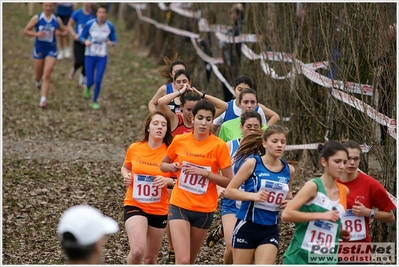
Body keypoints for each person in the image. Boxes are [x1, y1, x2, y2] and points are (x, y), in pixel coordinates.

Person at [160, 100, 233, 264]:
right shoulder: (179, 140)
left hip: (204, 210)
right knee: (183, 260)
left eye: (208, 119)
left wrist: (205, 174)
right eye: (200, 118)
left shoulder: (219, 146)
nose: (204, 122)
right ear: (192, 119)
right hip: (179, 205)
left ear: (212, 121)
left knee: (190, 261)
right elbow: (163, 165)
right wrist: (172, 166)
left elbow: (229, 181)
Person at [224, 125, 295, 264]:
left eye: (283, 142)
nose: (279, 145)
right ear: (264, 143)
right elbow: (230, 191)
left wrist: (290, 202)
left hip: (270, 228)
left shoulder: (289, 170)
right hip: (247, 226)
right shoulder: (253, 163)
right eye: (274, 141)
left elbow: (289, 195)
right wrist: (252, 196)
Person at [207, 111, 264, 264]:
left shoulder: (265, 150)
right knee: (232, 247)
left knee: (249, 250)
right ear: (241, 127)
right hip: (231, 202)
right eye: (248, 126)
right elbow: (216, 171)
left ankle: (223, 230)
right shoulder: (229, 146)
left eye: (256, 127)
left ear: (261, 128)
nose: (252, 130)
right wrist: (219, 188)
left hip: (255, 203)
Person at [282, 141, 351, 264]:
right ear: (324, 162)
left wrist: (338, 232)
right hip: (300, 258)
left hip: (326, 260)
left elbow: (328, 223)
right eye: (337, 161)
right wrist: (321, 215)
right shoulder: (313, 187)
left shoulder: (344, 191)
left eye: (344, 162)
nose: (342, 166)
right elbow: (286, 215)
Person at [121, 111, 175, 264]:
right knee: (138, 251)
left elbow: (179, 181)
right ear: (148, 128)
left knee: (151, 259)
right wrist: (126, 176)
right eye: (156, 123)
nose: (160, 127)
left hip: (159, 208)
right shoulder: (135, 148)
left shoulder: (171, 153)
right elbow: (125, 167)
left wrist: (167, 181)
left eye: (163, 125)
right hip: (135, 203)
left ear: (166, 130)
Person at [336, 140, 395, 264]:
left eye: (356, 159)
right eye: (348, 158)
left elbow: (390, 216)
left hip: (357, 250)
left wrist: (369, 212)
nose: (352, 163)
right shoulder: (327, 182)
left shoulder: (371, 185)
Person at [23, 2, 68, 108]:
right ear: (42, 6)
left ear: (53, 7)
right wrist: (36, 34)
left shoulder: (57, 19)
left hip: (51, 49)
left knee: (47, 74)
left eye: (50, 6)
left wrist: (60, 33)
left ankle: (43, 99)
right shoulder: (37, 18)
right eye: (46, 5)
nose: (48, 8)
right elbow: (26, 31)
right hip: (39, 49)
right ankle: (38, 83)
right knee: (38, 76)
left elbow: (65, 31)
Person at [158, 69, 228, 136]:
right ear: (181, 107)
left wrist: (202, 95)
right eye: (188, 109)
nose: (192, 113)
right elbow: (161, 102)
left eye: (195, 109)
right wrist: (180, 92)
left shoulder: (203, 119)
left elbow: (224, 106)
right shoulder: (175, 120)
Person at [79, 4, 117, 109]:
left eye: (104, 13)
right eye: (100, 12)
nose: (101, 15)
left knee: (99, 79)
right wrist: (85, 41)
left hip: (102, 56)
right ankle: (87, 87)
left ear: (106, 14)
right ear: (96, 14)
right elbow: (82, 35)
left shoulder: (109, 26)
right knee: (90, 80)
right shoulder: (90, 24)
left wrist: (112, 43)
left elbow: (114, 39)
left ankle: (94, 101)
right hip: (90, 55)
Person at [212, 75, 280, 133]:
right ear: (234, 90)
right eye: (240, 89)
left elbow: (274, 117)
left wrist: (263, 133)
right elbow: (213, 127)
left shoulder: (257, 108)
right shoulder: (226, 107)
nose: (242, 93)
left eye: (246, 90)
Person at [67, 2, 96, 88]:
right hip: (78, 41)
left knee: (86, 62)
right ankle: (74, 69)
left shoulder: (93, 14)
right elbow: (69, 25)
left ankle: (82, 81)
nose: (87, 3)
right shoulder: (77, 13)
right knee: (79, 60)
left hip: (89, 42)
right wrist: (74, 34)